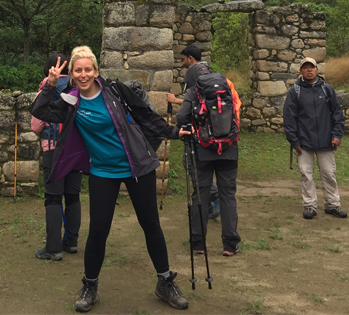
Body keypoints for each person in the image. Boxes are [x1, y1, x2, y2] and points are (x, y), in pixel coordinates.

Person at [32, 46, 191, 312]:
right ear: (71, 73)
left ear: (96, 71)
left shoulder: (115, 91)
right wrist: (49, 86)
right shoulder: (70, 100)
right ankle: (90, 286)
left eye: (88, 69)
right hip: (102, 171)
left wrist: (173, 132)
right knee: (98, 231)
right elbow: (41, 113)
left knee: (150, 224)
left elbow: (144, 115)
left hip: (137, 166)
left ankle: (165, 282)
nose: (83, 75)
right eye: (78, 70)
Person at [176, 51, 242, 257]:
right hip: (229, 148)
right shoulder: (227, 87)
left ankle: (198, 244)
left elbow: (181, 118)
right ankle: (230, 244)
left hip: (203, 150)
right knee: (228, 195)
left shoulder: (194, 91)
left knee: (201, 195)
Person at [32, 51, 82, 261]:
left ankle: (53, 248)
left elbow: (36, 122)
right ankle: (71, 242)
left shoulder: (48, 86)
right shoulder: (78, 86)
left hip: (54, 148)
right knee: (73, 196)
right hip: (76, 149)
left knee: (53, 198)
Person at [283, 57, 347, 220]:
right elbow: (289, 119)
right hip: (303, 142)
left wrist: (337, 134)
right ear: (301, 71)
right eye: (305, 68)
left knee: (329, 174)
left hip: (326, 141)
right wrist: (294, 141)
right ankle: (310, 206)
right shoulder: (295, 91)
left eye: (312, 67)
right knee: (306, 175)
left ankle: (332, 205)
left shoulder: (327, 89)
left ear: (317, 70)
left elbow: (337, 114)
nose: (309, 70)